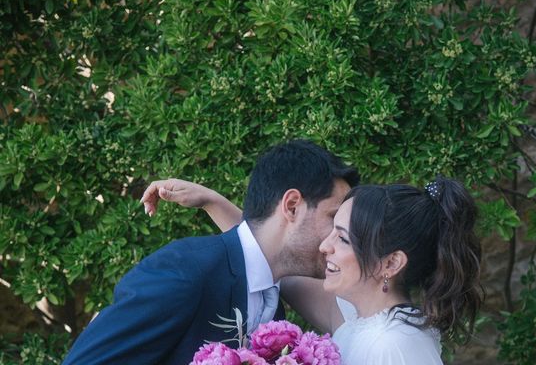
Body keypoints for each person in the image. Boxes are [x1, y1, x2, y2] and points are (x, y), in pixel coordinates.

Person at [62, 139, 359, 365]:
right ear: (292, 206)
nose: (339, 237)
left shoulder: (273, 299)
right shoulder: (186, 272)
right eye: (333, 218)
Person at [153, 175, 482, 364]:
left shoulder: (393, 345)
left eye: (342, 239)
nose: (325, 247)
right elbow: (270, 262)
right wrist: (213, 201)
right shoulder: (357, 318)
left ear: (391, 263)